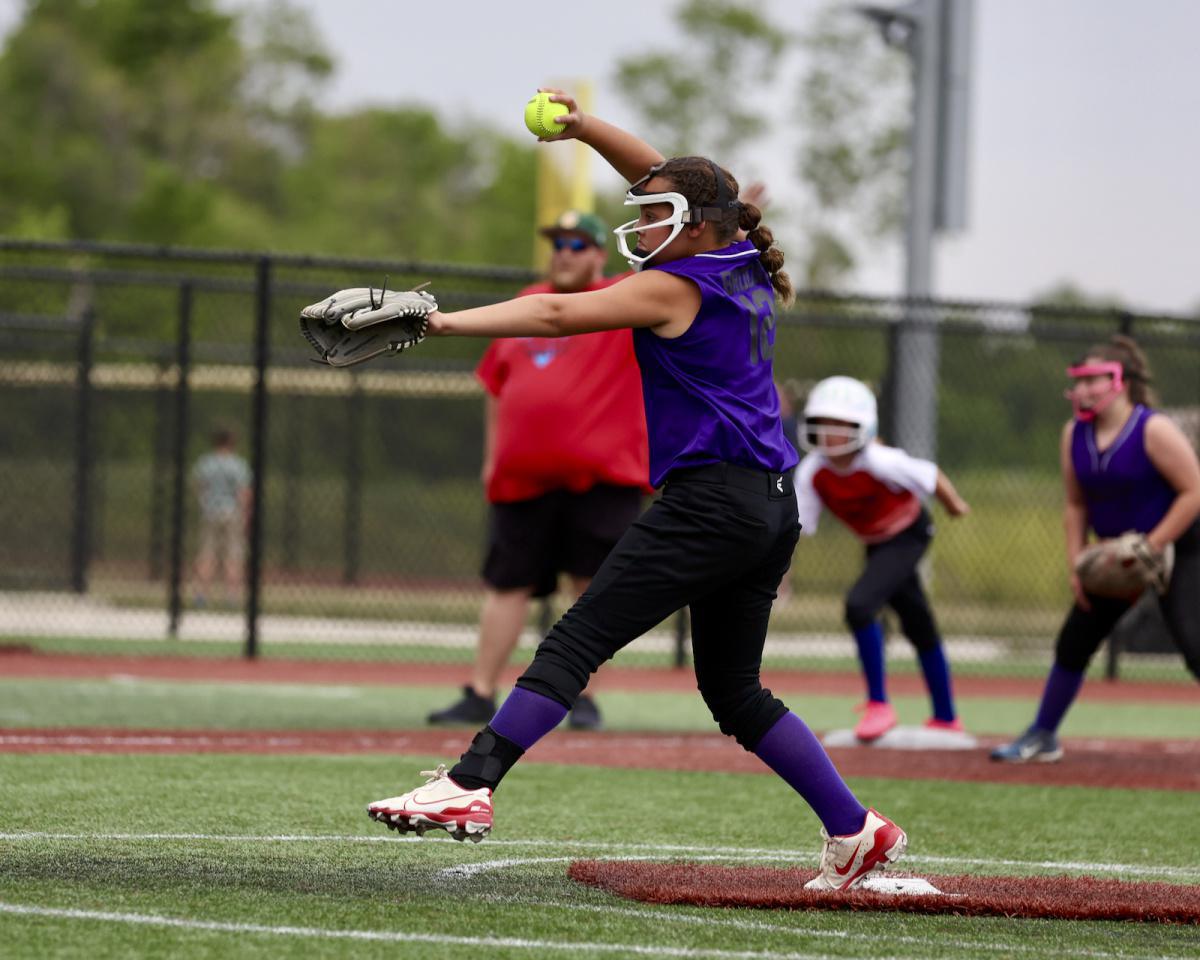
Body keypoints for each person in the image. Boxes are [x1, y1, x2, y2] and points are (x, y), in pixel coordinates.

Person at [366, 90, 908, 892]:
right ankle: (856, 828)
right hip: (767, 505)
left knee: (574, 641)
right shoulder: (744, 261)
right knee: (734, 691)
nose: (642, 223)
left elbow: (553, 314)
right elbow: (663, 177)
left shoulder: (676, 286)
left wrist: (439, 323)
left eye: (657, 214)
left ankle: (470, 785)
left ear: (693, 224)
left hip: (711, 502)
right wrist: (583, 128)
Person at [427, 210, 650, 731]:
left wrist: (724, 224)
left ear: (599, 254)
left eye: (578, 244)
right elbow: (494, 386)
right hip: (522, 478)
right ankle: (480, 691)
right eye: (558, 244)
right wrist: (491, 459)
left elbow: (672, 271)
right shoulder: (525, 304)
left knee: (592, 586)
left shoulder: (619, 301)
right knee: (509, 583)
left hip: (601, 477)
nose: (565, 253)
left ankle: (582, 697)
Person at [992, 335, 1200, 762]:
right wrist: (1077, 562)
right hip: (1115, 557)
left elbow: (1193, 492)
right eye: (1079, 380)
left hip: (1180, 546)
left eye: (1095, 379)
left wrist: (1151, 546)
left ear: (1120, 382)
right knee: (1074, 642)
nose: (1084, 389)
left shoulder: (1152, 428)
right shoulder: (1075, 434)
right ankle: (1043, 735)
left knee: (1195, 645)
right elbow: (1075, 503)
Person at [794, 376, 971, 741]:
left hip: (909, 534)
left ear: (863, 427)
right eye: (823, 423)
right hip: (877, 543)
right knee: (916, 621)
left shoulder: (878, 460)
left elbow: (930, 476)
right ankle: (946, 716)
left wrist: (955, 506)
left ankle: (879, 704)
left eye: (840, 424)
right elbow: (798, 525)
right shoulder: (813, 471)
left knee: (859, 606)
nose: (830, 433)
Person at [190, 427, 252, 608]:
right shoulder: (237, 465)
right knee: (233, 555)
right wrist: (246, 513)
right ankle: (231, 597)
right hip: (232, 512)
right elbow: (244, 492)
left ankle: (201, 595)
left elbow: (198, 486)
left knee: (207, 554)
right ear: (232, 443)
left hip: (210, 512)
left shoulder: (206, 463)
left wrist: (205, 501)